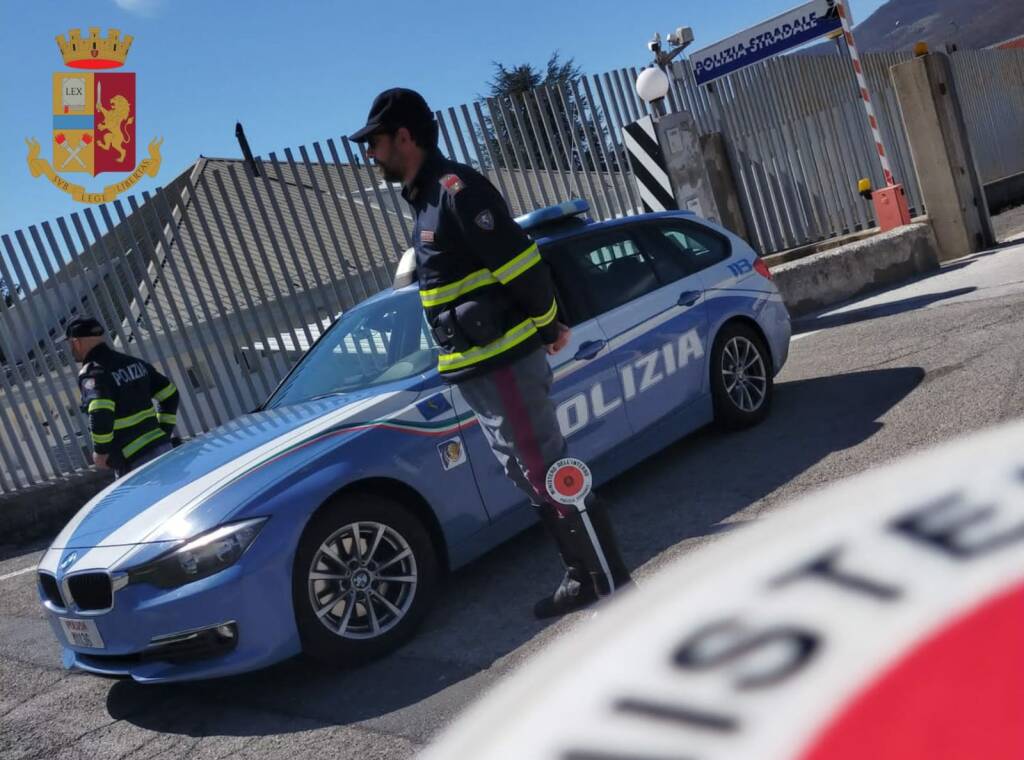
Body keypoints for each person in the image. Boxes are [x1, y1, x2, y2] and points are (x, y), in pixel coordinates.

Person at [351, 88, 632, 618]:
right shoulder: (427, 201)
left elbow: (521, 264)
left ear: (405, 137)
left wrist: (550, 325)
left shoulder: (457, 192)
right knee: (530, 474)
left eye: (376, 142)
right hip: (479, 370)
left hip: (504, 363)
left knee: (550, 471)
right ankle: (584, 575)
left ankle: (610, 586)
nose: (371, 153)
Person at [63, 317, 179, 478]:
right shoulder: (133, 362)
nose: (71, 349)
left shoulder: (93, 373)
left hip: (135, 462)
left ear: (76, 342)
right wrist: (164, 431)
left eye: (70, 344)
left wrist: (101, 452)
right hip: (163, 448)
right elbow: (170, 394)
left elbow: (100, 412)